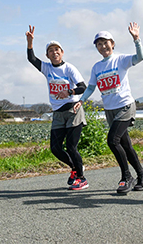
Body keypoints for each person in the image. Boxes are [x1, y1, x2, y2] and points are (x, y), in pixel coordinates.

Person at [75, 22, 143, 194]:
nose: (103, 46)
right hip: (110, 110)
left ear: (113, 43)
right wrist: (81, 100)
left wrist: (137, 39)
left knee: (112, 141)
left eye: (105, 42)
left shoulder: (121, 59)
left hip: (125, 106)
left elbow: (140, 58)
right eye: (99, 44)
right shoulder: (97, 67)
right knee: (125, 145)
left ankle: (127, 177)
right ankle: (142, 174)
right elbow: (90, 88)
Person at [26, 25, 89, 190]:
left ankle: (81, 179)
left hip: (73, 110)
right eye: (51, 50)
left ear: (62, 52)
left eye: (57, 49)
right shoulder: (46, 68)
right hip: (58, 113)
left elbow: (83, 87)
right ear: (47, 55)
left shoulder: (69, 68)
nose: (54, 52)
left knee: (71, 146)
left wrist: (69, 91)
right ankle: (76, 168)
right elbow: (32, 59)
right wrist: (30, 43)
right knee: (55, 148)